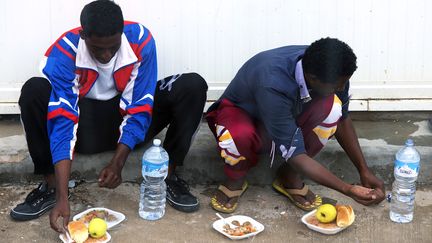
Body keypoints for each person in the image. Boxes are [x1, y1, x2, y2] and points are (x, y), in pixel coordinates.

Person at [10, 0, 207, 231]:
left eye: (113, 48)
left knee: (192, 85)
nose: (106, 55)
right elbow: (63, 120)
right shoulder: (64, 51)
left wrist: (118, 163)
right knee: (34, 90)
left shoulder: (141, 40)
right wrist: (64, 198)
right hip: (84, 128)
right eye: (98, 49)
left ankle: (168, 176)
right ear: (83, 35)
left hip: (125, 123)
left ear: (122, 33)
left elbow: (140, 106)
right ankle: (53, 188)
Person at [206, 38, 386, 213]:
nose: (342, 87)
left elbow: (343, 120)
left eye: (344, 82)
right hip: (244, 112)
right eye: (337, 85)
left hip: (285, 113)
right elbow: (295, 154)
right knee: (237, 136)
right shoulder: (273, 82)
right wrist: (347, 189)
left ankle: (289, 175)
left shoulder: (330, 68)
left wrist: (364, 170)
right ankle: (236, 178)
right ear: (312, 78)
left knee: (334, 108)